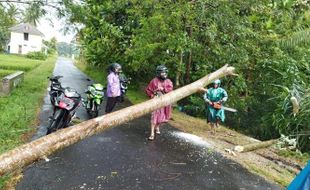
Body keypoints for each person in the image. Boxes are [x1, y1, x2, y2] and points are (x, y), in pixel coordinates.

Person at [145, 65, 173, 140]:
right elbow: (148, 90)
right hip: (156, 102)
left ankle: (157, 127)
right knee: (154, 116)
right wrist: (152, 95)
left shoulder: (168, 81)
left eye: (165, 72)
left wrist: (163, 89)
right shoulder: (154, 81)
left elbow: (170, 90)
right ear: (159, 73)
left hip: (165, 103)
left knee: (162, 117)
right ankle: (152, 133)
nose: (164, 74)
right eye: (162, 73)